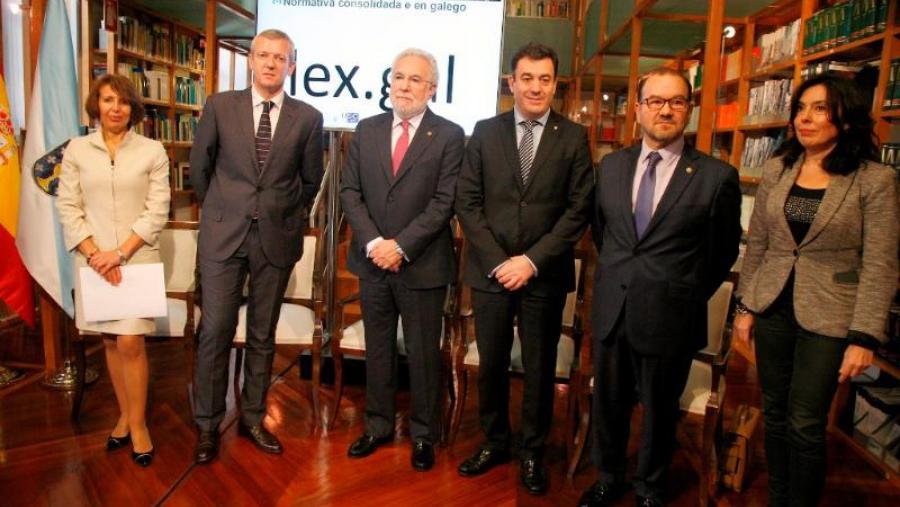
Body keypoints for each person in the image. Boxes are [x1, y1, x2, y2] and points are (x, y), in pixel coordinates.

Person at [732, 73, 898, 507]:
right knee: (774, 413)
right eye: (801, 108)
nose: (806, 118)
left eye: (820, 108)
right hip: (772, 307)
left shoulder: (873, 180)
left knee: (805, 420)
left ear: (845, 117)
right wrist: (745, 306)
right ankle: (778, 496)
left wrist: (864, 337)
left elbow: (880, 264)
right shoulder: (778, 169)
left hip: (832, 316)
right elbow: (760, 243)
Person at [580, 68, 742, 507]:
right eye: (655, 101)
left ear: (688, 109)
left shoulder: (715, 176)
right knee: (608, 404)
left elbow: (721, 252)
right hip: (613, 307)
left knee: (660, 410)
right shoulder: (610, 167)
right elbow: (604, 233)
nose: (664, 110)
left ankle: (650, 487)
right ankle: (608, 476)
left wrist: (679, 291)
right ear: (638, 109)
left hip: (671, 313)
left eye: (675, 101)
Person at [454, 42, 593, 495]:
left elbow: (578, 210)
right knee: (491, 362)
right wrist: (499, 262)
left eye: (545, 79)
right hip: (492, 273)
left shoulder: (573, 137)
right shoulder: (484, 131)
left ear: (556, 84)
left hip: (544, 274)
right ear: (511, 82)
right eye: (527, 78)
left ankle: (533, 450)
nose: (536, 87)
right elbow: (467, 202)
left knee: (539, 367)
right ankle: (495, 443)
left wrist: (531, 261)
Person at [190, 29, 324, 463]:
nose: (270, 63)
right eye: (263, 55)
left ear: (292, 65)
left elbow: (310, 180)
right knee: (215, 331)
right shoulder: (219, 106)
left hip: (275, 238)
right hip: (223, 234)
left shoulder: (307, 117)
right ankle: (208, 425)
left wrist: (280, 213)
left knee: (263, 335)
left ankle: (252, 417)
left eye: (279, 57)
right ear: (250, 60)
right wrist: (224, 210)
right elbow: (200, 168)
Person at [339, 48, 464, 471]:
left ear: (432, 88)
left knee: (424, 353)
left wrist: (402, 246)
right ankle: (377, 426)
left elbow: (445, 201)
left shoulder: (448, 135)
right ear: (388, 82)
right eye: (398, 77)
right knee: (378, 350)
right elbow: (349, 192)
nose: (404, 86)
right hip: (372, 262)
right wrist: (375, 242)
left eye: (415, 80)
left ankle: (424, 434)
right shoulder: (367, 130)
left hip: (422, 264)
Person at [57, 74, 171, 467]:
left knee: (131, 342)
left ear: (132, 107)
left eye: (122, 101)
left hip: (135, 257)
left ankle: (138, 426)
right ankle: (124, 416)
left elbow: (157, 210)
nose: (115, 108)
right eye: (107, 100)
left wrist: (119, 254)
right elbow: (67, 206)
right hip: (93, 259)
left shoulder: (153, 150)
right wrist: (94, 253)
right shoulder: (75, 149)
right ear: (97, 105)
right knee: (109, 339)